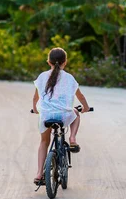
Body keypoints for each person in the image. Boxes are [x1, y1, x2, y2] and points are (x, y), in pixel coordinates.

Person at [32, 47, 90, 185]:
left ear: (48, 62)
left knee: (44, 143)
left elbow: (35, 98)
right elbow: (80, 96)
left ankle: (39, 174)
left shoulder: (42, 77)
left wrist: (35, 110)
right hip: (64, 115)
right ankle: (72, 138)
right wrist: (86, 107)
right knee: (75, 113)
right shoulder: (69, 78)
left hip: (46, 116)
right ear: (65, 62)